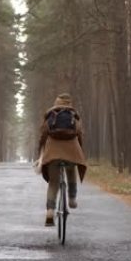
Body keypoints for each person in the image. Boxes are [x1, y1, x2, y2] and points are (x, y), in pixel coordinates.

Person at [37, 93, 87, 226]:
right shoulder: (74, 116)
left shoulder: (51, 116)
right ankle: (71, 198)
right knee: (71, 171)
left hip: (53, 153)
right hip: (71, 151)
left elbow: (43, 135)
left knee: (53, 183)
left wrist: (41, 151)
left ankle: (50, 211)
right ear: (69, 103)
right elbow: (79, 133)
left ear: (56, 103)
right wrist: (80, 151)